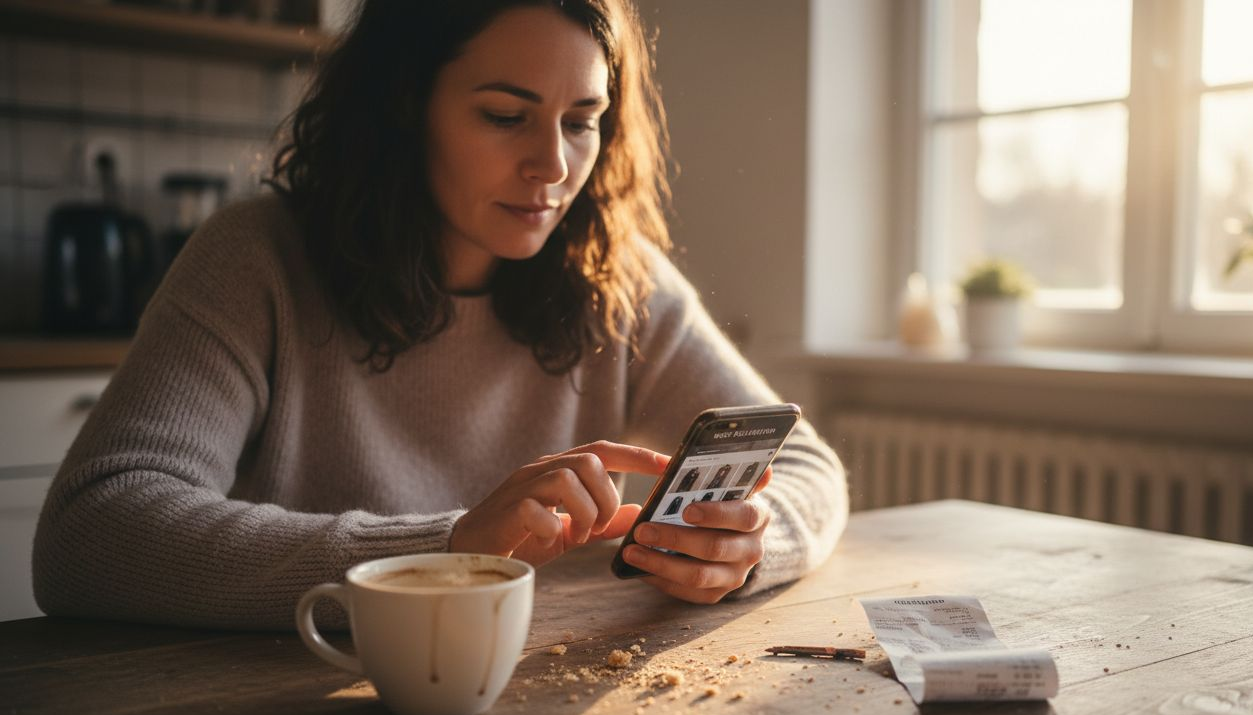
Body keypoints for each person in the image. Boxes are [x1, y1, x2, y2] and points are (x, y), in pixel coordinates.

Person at [32, 0, 847, 631]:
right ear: (402, 109)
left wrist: (745, 548)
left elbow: (806, 466)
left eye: (582, 121)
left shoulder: (619, 277)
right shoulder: (258, 258)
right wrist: (447, 552)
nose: (554, 167)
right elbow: (90, 534)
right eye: (504, 115)